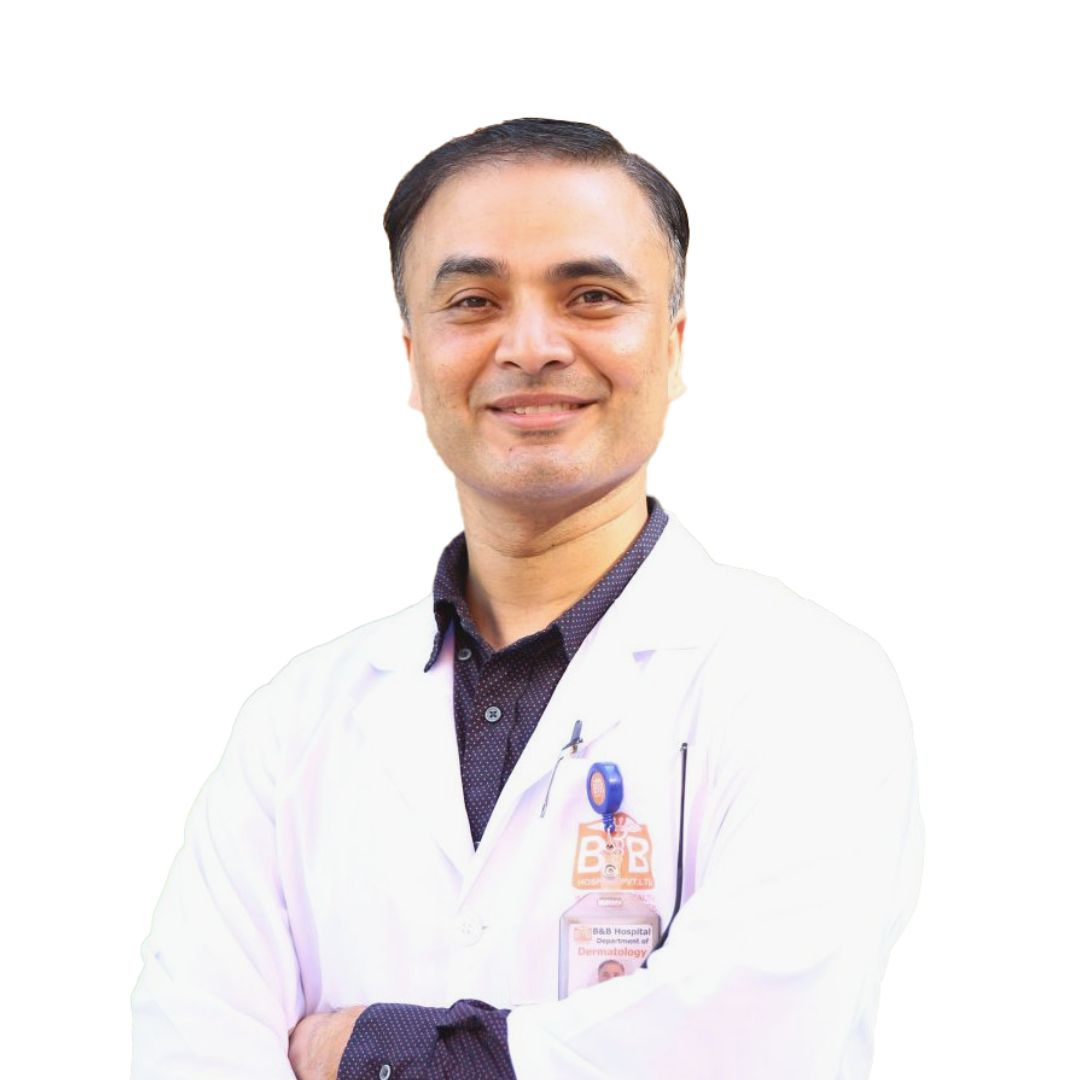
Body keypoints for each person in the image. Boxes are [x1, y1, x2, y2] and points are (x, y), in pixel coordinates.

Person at [131, 118, 923, 1080]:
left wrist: (373, 1053)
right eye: (474, 302)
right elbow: (190, 1041)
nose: (533, 346)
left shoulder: (810, 685)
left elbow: (748, 1042)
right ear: (415, 356)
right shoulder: (297, 720)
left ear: (672, 346)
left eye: (592, 297)